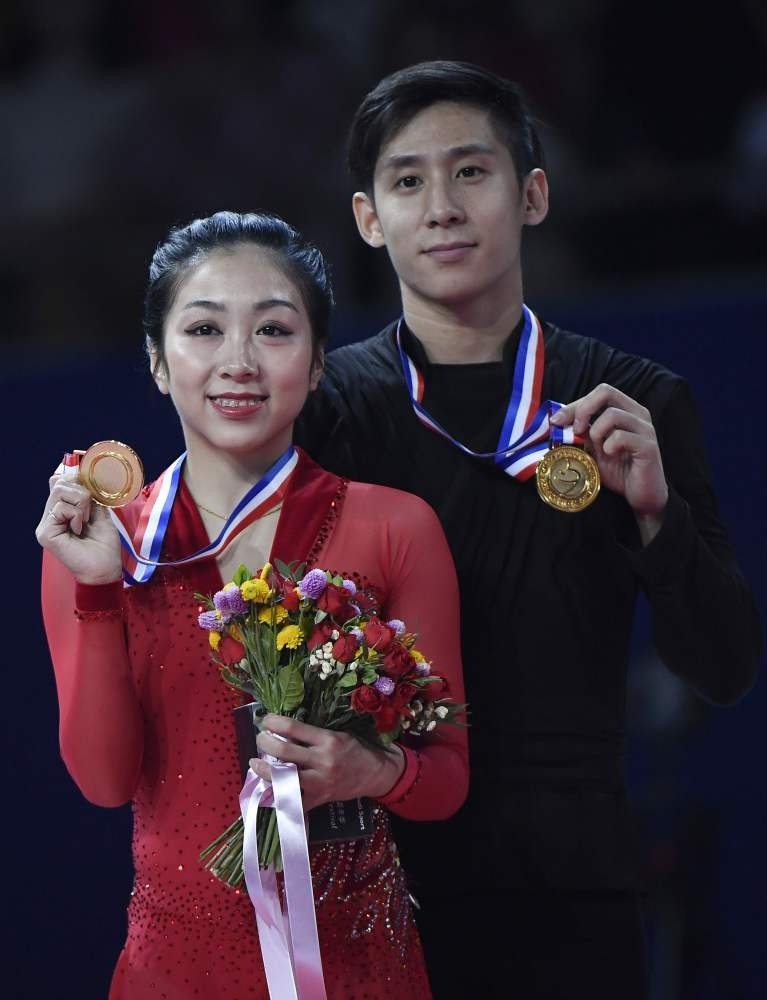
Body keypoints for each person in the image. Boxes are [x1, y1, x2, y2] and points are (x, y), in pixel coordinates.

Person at [294, 61, 762, 999]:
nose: (442, 207)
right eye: (407, 180)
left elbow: (724, 667)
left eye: (472, 172)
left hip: (571, 893)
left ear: (533, 194)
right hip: (376, 885)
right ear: (367, 218)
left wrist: (655, 518)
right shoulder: (324, 410)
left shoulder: (632, 404)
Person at [36, 210, 468, 1000]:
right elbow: (102, 781)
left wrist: (373, 770)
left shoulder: (394, 528)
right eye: (203, 329)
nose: (238, 362)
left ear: (316, 362)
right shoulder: (100, 544)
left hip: (359, 969)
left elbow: (446, 782)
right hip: (174, 972)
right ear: (158, 363)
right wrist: (97, 587)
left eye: (273, 331)